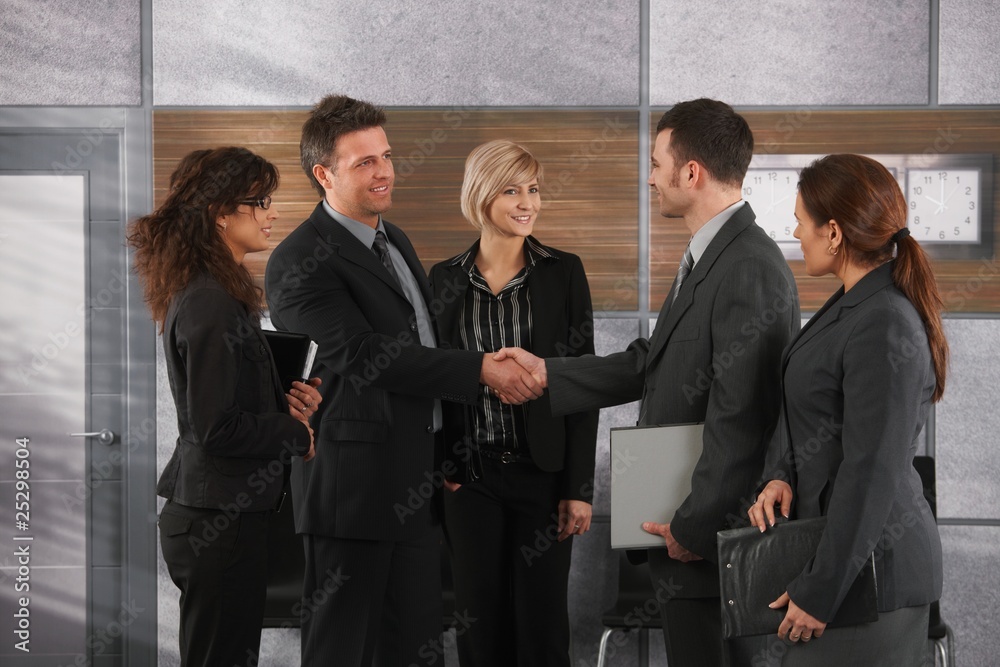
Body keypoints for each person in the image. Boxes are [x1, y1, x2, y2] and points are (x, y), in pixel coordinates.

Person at [495, 98, 800, 666]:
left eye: (657, 163)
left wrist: (695, 524)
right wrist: (548, 372)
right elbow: (653, 360)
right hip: (685, 534)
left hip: (706, 543)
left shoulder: (747, 267)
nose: (650, 178)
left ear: (692, 172)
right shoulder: (711, 257)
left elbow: (743, 415)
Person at [263, 95, 544, 666]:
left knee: (416, 650)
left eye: (385, 155)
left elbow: (422, 349)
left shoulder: (395, 241)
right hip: (352, 492)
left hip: (414, 488)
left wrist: (448, 454)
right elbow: (371, 356)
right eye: (364, 161)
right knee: (345, 650)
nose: (384, 170)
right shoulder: (299, 260)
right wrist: (482, 371)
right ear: (324, 174)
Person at [748, 154, 946, 666]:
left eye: (800, 220)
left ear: (833, 232)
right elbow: (806, 410)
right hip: (840, 563)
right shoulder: (852, 302)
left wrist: (822, 588)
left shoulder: (884, 321)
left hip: (872, 577)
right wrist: (779, 474)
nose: (795, 232)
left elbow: (871, 467)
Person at [128, 146, 322, 667]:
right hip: (218, 522)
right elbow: (217, 428)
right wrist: (295, 434)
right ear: (219, 215)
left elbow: (224, 403)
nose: (272, 213)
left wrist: (282, 399)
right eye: (259, 202)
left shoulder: (213, 293)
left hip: (221, 517)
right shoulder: (210, 300)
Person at [429, 140, 599, 667]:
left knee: (543, 629)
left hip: (543, 477)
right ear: (481, 195)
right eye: (511, 189)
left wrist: (578, 488)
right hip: (471, 479)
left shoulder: (564, 273)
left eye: (533, 189)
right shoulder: (443, 279)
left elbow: (582, 384)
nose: (528, 202)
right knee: (479, 628)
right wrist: (444, 466)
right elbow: (433, 382)